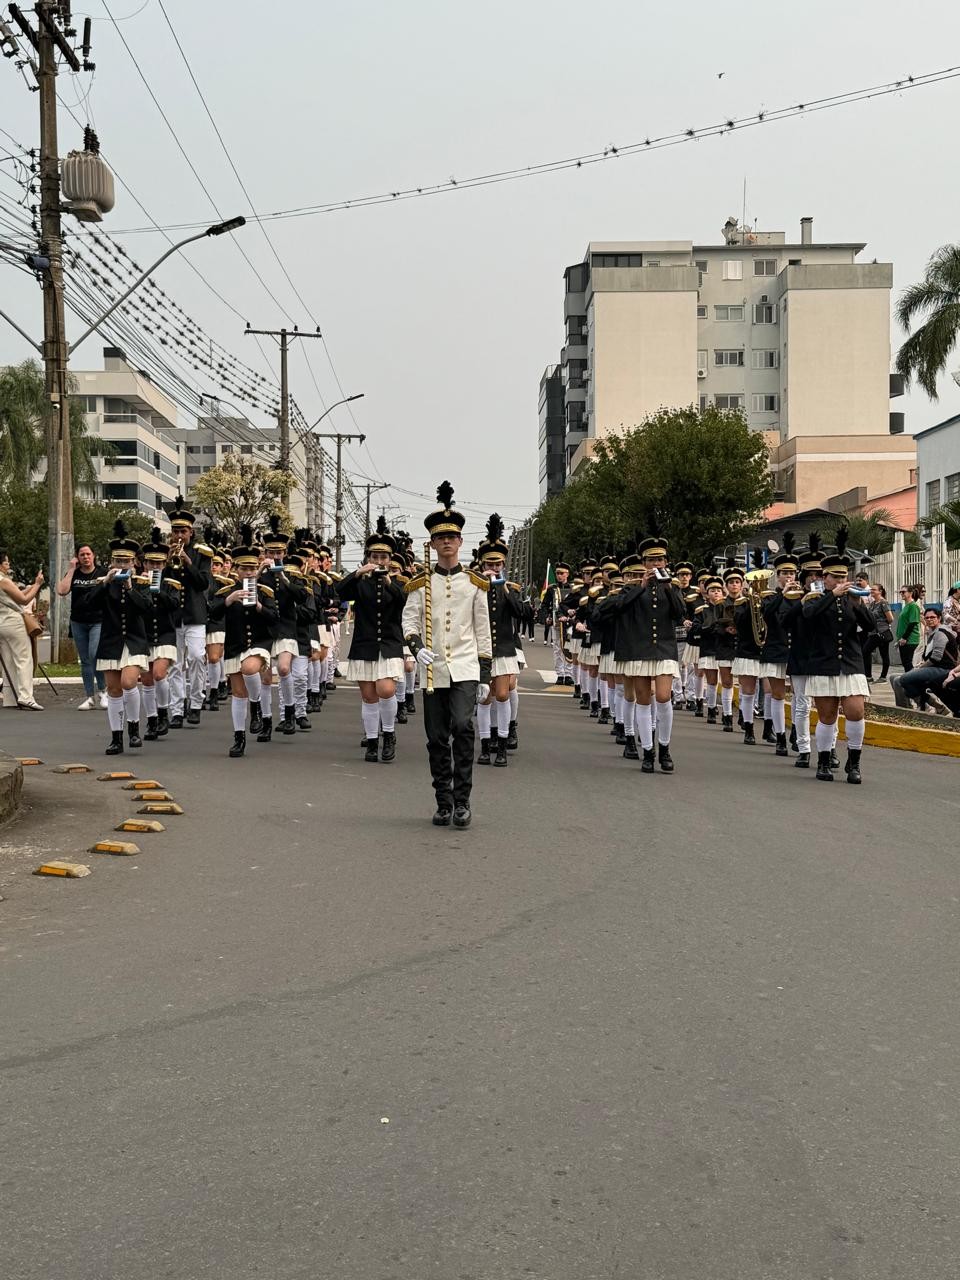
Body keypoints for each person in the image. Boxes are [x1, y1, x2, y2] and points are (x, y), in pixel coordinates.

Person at [402, 481, 493, 829]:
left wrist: (485, 675)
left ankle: (463, 800)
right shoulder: (421, 583)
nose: (446, 542)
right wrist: (417, 647)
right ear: (433, 543)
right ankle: (443, 800)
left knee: (462, 726)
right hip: (433, 669)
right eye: (440, 538)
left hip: (466, 667)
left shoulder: (475, 583)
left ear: (460, 542)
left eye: (451, 537)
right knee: (437, 737)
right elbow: (409, 622)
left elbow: (484, 631)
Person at [800, 529, 875, 784]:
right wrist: (831, 595)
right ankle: (823, 761)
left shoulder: (852, 599)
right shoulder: (814, 597)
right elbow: (809, 616)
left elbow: (870, 625)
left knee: (855, 711)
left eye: (844, 576)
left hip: (851, 662)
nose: (841, 580)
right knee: (827, 716)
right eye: (835, 577)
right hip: (824, 662)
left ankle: (854, 763)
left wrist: (858, 600)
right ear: (825, 577)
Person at [336, 516, 406, 764]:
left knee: (386, 689)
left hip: (388, 644)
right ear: (368, 558)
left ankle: (389, 735)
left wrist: (388, 582)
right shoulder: (360, 582)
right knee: (368, 696)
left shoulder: (398, 584)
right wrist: (357, 573)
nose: (378, 561)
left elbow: (402, 604)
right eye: (374, 557)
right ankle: (372, 740)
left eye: (383, 557)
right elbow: (339, 592)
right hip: (364, 644)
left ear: (390, 560)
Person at [208, 527, 278, 758]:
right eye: (244, 568)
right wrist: (228, 600)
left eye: (252, 568)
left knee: (250, 669)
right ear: (236, 570)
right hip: (235, 645)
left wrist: (258, 605)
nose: (248, 573)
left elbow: (274, 617)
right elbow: (212, 615)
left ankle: (256, 705)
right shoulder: (227, 591)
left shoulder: (265, 590)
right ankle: (239, 737)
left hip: (259, 643)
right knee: (238, 693)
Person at [86, 521, 154, 754]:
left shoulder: (141, 583)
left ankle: (134, 729)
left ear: (134, 562)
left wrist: (129, 587)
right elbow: (88, 605)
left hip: (134, 642)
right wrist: (105, 583)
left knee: (128, 682)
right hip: (111, 642)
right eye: (118, 561)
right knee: (113, 689)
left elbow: (147, 607)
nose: (122, 565)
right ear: (111, 562)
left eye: (126, 561)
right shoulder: (104, 585)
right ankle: (116, 737)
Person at [474, 514, 525, 767]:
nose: (493, 568)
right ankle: (485, 744)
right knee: (485, 697)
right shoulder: (474, 585)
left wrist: (504, 588)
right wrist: (480, 584)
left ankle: (502, 744)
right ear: (482, 562)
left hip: (504, 649)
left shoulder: (511, 588)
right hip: (481, 649)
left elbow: (521, 613)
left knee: (503, 695)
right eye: (489, 563)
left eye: (498, 564)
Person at [166, 495, 214, 727]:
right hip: (174, 615)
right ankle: (176, 709)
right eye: (175, 531)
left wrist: (186, 561)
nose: (178, 536)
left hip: (195, 615)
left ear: (190, 532)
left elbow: (204, 583)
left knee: (196, 658)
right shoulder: (165, 553)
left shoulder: (202, 555)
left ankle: (195, 703)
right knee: (175, 665)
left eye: (183, 531)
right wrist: (167, 559)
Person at [56, 543, 107, 709]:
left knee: (94, 655)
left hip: (98, 620)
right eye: (82, 554)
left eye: (88, 554)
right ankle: (89, 697)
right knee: (84, 660)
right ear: (77, 557)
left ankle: (103, 691)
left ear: (93, 555)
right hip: (78, 622)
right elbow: (62, 591)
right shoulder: (75, 574)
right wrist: (71, 569)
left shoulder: (102, 573)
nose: (85, 557)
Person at [890, 607, 958, 712]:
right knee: (893, 677)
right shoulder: (932, 633)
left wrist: (920, 668)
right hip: (934, 668)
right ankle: (929, 706)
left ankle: (925, 706)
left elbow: (936, 658)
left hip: (944, 669)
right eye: (927, 618)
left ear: (939, 618)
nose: (929, 619)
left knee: (902, 679)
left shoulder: (940, 633)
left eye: (933, 617)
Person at [0, 550, 44, 710]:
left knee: (7, 660)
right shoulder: (4, 580)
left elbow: (14, 597)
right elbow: (24, 599)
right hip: (13, 622)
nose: (8, 566)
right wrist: (38, 585)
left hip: (1, 623)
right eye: (6, 563)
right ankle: (26, 696)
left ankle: (10, 698)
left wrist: (30, 587)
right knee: (23, 659)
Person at [862, 583, 895, 682]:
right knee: (878, 653)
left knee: (867, 651)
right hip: (873, 632)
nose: (872, 591)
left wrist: (882, 624)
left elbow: (890, 618)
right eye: (871, 590)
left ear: (880, 591)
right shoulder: (872, 604)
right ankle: (871, 676)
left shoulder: (883, 603)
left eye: (874, 590)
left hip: (881, 632)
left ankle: (880, 676)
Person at [895, 586, 921, 671]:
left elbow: (912, 623)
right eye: (900, 592)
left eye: (904, 592)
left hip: (910, 639)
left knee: (907, 662)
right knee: (906, 663)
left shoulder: (913, 606)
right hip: (904, 639)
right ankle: (909, 680)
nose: (902, 594)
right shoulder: (906, 606)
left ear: (910, 593)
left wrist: (904, 637)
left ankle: (911, 681)